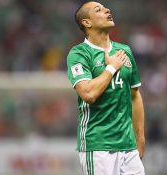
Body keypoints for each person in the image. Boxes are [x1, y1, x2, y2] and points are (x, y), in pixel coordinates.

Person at [66, 1, 146, 175]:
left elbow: (135, 95)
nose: (107, 10)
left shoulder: (124, 51)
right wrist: (112, 67)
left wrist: (139, 137)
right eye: (98, 10)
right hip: (98, 146)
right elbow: (88, 93)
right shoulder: (79, 54)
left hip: (128, 145)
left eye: (105, 8)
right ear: (87, 22)